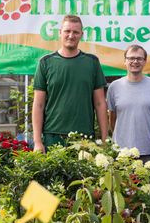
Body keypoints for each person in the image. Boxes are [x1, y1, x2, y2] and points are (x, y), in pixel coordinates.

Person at [32, 15, 108, 152]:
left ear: (81, 35)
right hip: (53, 136)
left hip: (84, 138)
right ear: (60, 32)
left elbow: (100, 103)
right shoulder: (46, 62)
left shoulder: (92, 62)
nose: (71, 35)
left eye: (75, 32)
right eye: (67, 31)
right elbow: (38, 104)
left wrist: (104, 140)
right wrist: (37, 141)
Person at [106, 45, 150, 165]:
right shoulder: (114, 87)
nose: (135, 61)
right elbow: (112, 119)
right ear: (125, 61)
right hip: (121, 152)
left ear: (145, 61)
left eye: (139, 58)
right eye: (131, 58)